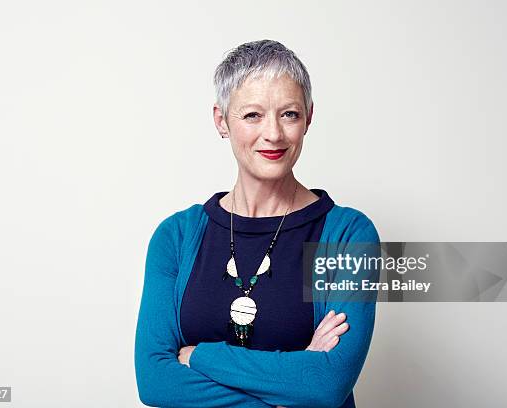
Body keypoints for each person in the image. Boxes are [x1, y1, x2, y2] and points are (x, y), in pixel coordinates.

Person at [134, 39, 380, 408]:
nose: (274, 134)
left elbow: (328, 384)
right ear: (221, 121)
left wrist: (201, 357)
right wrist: (292, 384)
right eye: (252, 115)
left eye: (289, 114)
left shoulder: (349, 236)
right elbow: (155, 382)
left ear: (309, 117)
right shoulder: (176, 236)